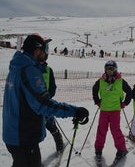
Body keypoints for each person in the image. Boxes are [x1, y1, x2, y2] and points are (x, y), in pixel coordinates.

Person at [2, 34, 89, 167]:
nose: (46, 54)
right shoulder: (29, 70)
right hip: (23, 138)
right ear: (37, 50)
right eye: (44, 50)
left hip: (15, 134)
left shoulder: (17, 67)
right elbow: (43, 104)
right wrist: (74, 111)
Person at [92, 60, 132, 162]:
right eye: (107, 69)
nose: (109, 71)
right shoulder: (101, 81)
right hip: (104, 110)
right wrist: (97, 101)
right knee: (101, 129)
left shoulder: (120, 81)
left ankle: (121, 149)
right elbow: (94, 90)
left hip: (115, 110)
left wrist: (125, 103)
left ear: (115, 70)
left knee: (115, 130)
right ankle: (98, 149)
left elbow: (129, 92)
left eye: (111, 69)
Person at [40, 42, 64, 154]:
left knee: (51, 126)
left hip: (46, 105)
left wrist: (47, 97)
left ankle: (59, 144)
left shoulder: (49, 70)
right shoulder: (29, 69)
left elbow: (53, 88)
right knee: (34, 132)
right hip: (34, 108)